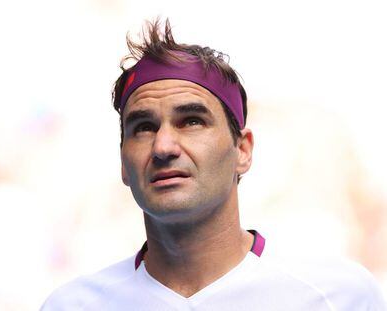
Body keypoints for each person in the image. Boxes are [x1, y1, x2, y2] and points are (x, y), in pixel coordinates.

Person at [41, 19, 387, 310]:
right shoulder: (73, 305)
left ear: (242, 150)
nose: (163, 146)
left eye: (191, 121)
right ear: (122, 162)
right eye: (143, 127)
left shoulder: (338, 297)